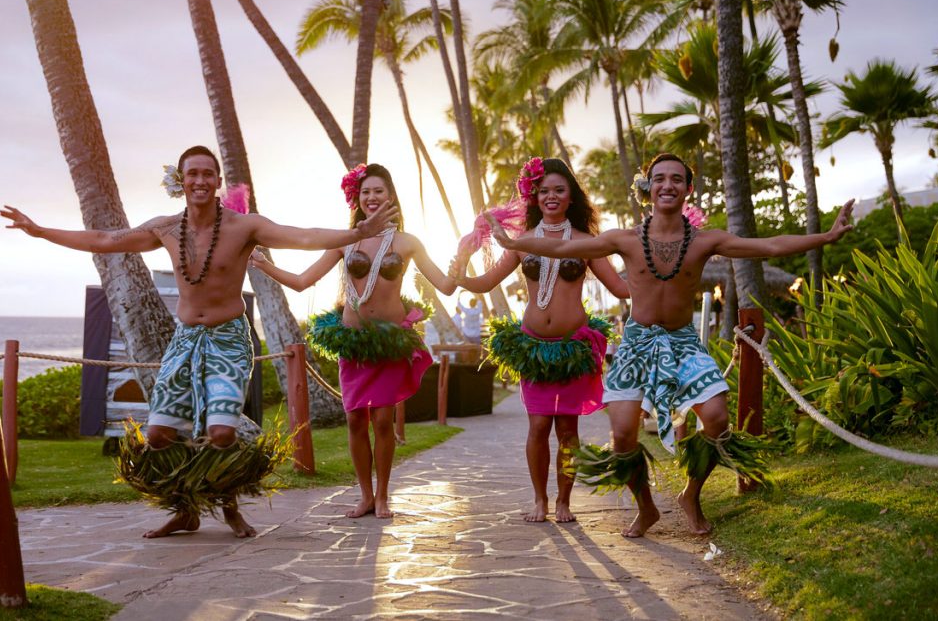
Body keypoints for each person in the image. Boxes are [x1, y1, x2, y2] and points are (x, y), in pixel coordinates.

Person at [0, 145, 397, 538]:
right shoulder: (166, 228)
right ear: (182, 181)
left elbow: (302, 236)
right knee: (158, 436)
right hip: (184, 339)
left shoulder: (245, 226)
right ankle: (185, 511)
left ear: (218, 181)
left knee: (222, 433)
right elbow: (106, 239)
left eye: (208, 173)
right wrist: (40, 231)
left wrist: (357, 232)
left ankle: (230, 509)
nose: (201, 180)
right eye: (193, 174)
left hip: (228, 340)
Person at [488, 152, 855, 537]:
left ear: (687, 189)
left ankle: (691, 494)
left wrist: (827, 236)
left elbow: (770, 246)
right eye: (659, 178)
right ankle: (646, 508)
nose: (667, 185)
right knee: (623, 432)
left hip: (683, 343)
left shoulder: (705, 242)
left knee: (716, 417)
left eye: (676, 179)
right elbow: (563, 249)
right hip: (637, 343)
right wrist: (513, 242)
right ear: (648, 190)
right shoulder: (625, 240)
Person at [250, 163, 459, 519]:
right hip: (354, 343)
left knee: (382, 420)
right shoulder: (346, 242)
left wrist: (462, 260)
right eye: (365, 192)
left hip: (389, 344)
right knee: (355, 420)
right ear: (357, 199)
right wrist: (265, 265)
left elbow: (446, 285)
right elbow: (303, 281)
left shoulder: (407, 243)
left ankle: (383, 496)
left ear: (390, 195)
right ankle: (364, 495)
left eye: (378, 191)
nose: (372, 197)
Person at [450, 157, 630, 523]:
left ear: (571, 197)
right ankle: (540, 500)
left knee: (567, 428)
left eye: (559, 190)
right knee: (537, 426)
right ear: (534, 197)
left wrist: (657, 272)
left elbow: (620, 288)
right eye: (544, 190)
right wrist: (461, 268)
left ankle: (564, 501)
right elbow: (485, 283)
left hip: (573, 348)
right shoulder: (521, 243)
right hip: (534, 348)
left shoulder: (586, 242)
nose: (551, 196)